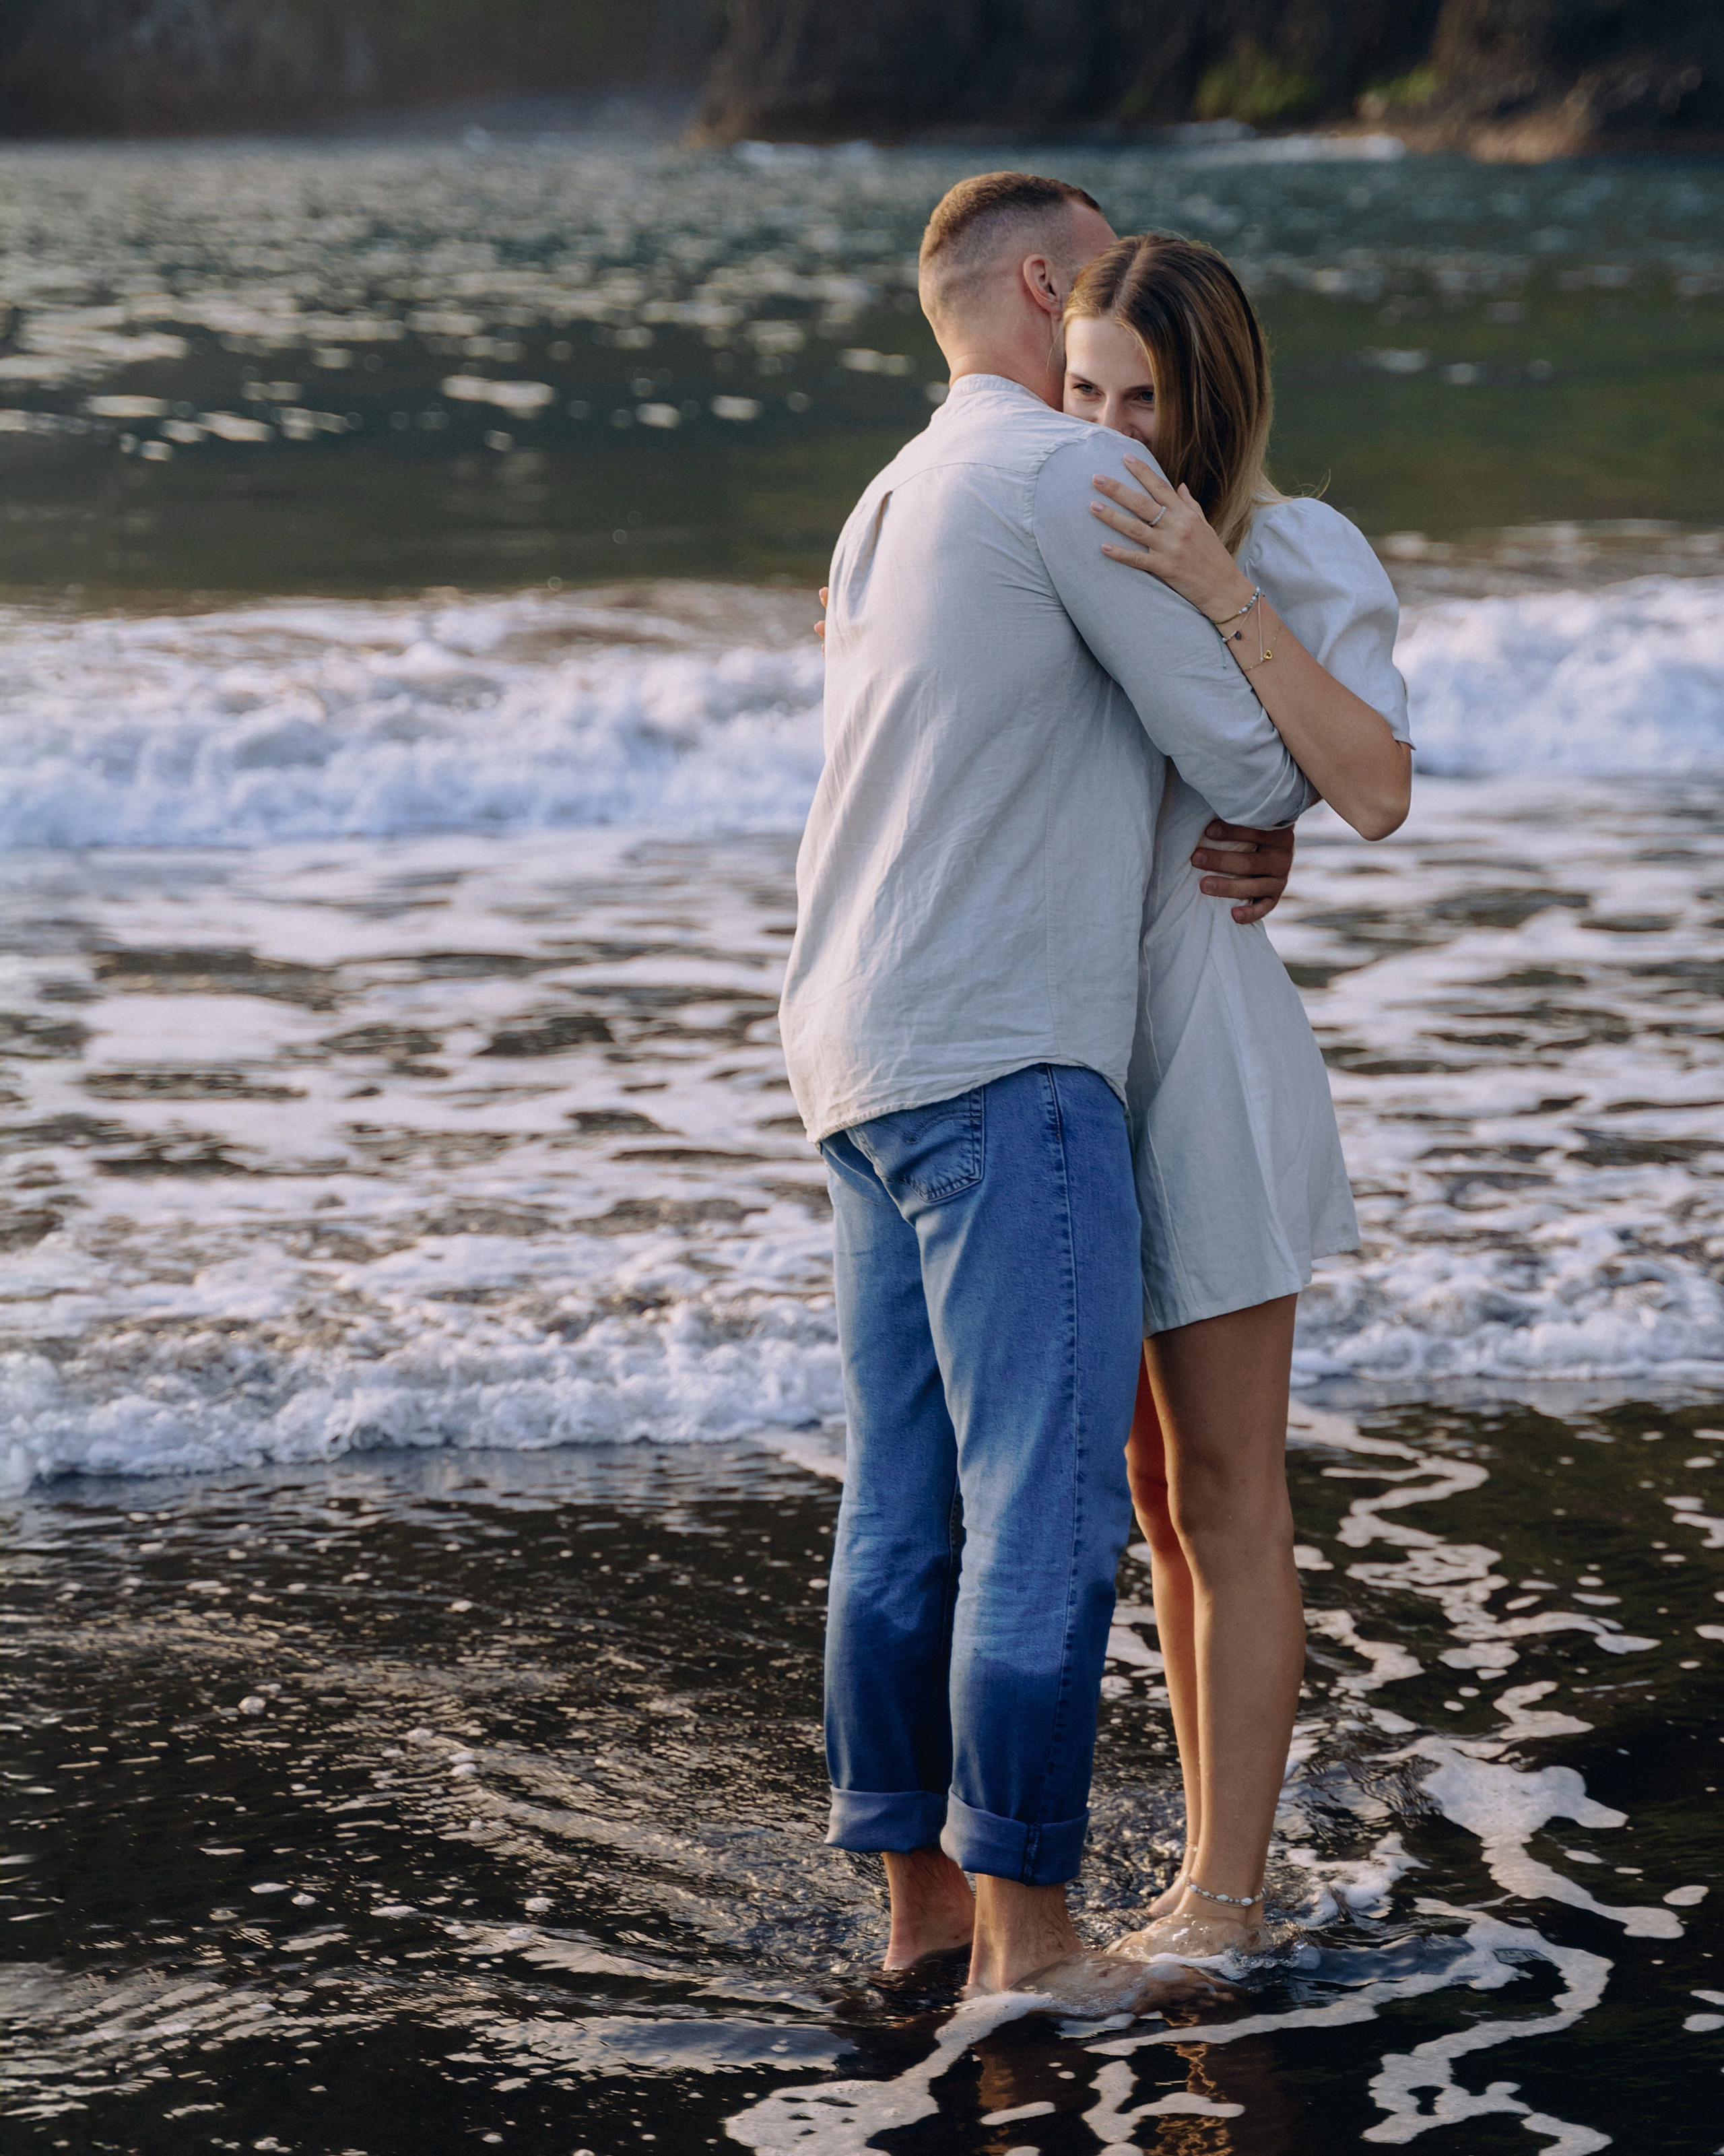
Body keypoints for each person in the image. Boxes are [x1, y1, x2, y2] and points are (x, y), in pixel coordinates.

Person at [778, 171, 1315, 1998]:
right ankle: (1033, 1935)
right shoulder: (1058, 474)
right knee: (1053, 1512)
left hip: (851, 1049)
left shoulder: (885, 499)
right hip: (1011, 1048)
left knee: (901, 1503)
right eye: (1097, 280)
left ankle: (918, 1906)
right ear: (1041, 280)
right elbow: (1247, 747)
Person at [1059, 232, 1412, 1957]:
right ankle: (1206, 1871)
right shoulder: (1055, 520)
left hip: (1205, 1056)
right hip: (1061, 1053)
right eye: (1085, 391)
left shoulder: (1292, 548)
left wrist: (1218, 579)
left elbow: (1374, 790)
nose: (1115, 430)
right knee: (1150, 1504)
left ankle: (1226, 1893)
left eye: (1146, 398)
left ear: (1214, 400)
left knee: (1228, 1492)